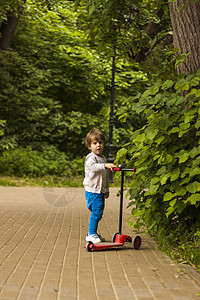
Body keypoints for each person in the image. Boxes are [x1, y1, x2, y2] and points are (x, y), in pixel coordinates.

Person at [83, 128, 116, 243]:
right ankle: (91, 234)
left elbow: (105, 176)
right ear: (89, 146)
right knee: (96, 212)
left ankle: (93, 233)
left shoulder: (102, 158)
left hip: (99, 191)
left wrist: (106, 190)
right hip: (92, 191)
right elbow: (93, 167)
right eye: (95, 143)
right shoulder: (91, 157)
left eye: (100, 142)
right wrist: (105, 165)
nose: (98, 145)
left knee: (98, 212)